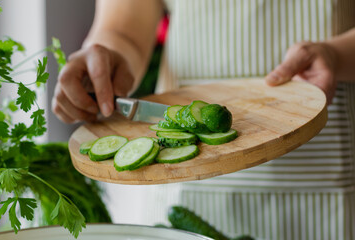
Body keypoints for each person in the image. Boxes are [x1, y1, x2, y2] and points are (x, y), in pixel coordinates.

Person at [52, 0, 355, 239]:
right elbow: (123, 27)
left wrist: (337, 55)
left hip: (325, 176)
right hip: (184, 178)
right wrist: (104, 56)